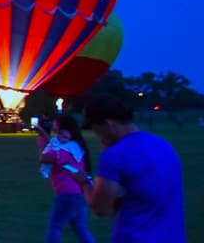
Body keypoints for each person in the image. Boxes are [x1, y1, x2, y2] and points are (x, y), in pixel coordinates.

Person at [68, 95, 185, 241]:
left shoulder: (114, 154)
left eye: (96, 130)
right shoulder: (163, 145)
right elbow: (147, 197)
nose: (98, 136)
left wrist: (84, 182)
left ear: (109, 124)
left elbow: (101, 209)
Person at [38, 115, 95, 243]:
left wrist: (41, 144)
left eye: (57, 129)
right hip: (80, 193)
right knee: (80, 228)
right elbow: (54, 145)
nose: (55, 131)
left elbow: (44, 158)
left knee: (55, 227)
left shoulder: (63, 149)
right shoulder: (76, 146)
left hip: (67, 194)